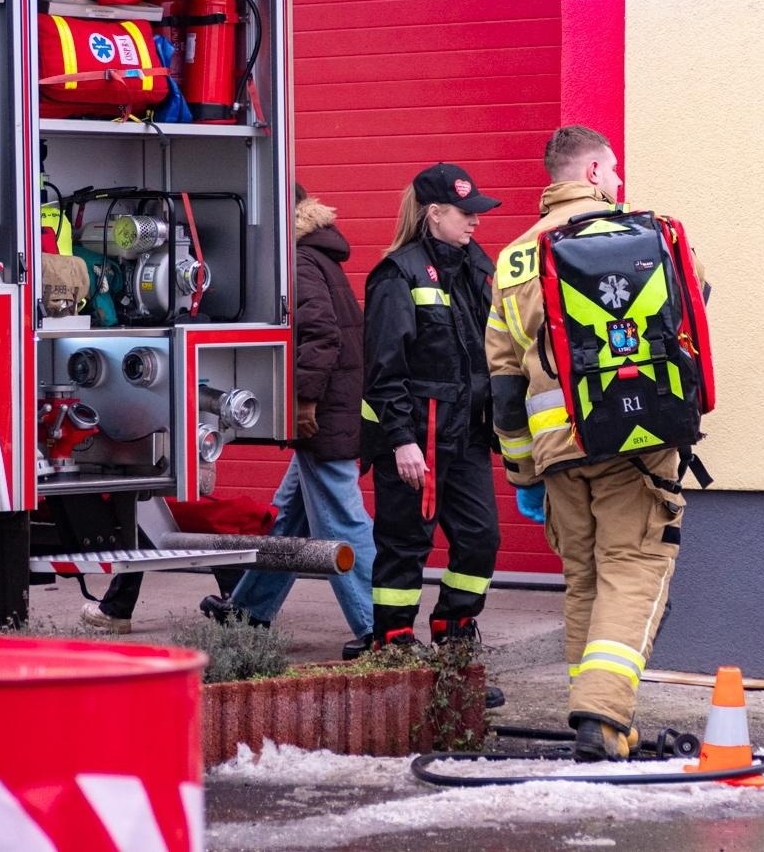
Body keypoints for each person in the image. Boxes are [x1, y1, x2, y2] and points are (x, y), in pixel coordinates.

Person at [485, 124, 708, 762]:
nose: (617, 181)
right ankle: (604, 717)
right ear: (590, 174)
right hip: (635, 440)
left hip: (558, 451)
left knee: (584, 577)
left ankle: (589, 715)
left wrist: (524, 473)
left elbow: (503, 386)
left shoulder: (515, 257)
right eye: (611, 170)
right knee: (634, 568)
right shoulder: (648, 235)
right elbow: (692, 311)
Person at [196, 184, 376, 658]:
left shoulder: (296, 260)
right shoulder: (315, 253)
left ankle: (380, 628)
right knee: (288, 518)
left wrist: (303, 403)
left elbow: (321, 336)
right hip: (336, 402)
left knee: (341, 518)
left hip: (324, 412)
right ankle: (250, 611)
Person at [361, 163, 501, 651]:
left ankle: (455, 634)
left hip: (466, 437)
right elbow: (383, 371)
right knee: (405, 546)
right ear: (435, 213)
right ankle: (393, 642)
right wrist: (401, 441)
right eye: (466, 213)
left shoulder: (478, 269)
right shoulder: (397, 274)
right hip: (417, 437)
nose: (475, 221)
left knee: (481, 538)